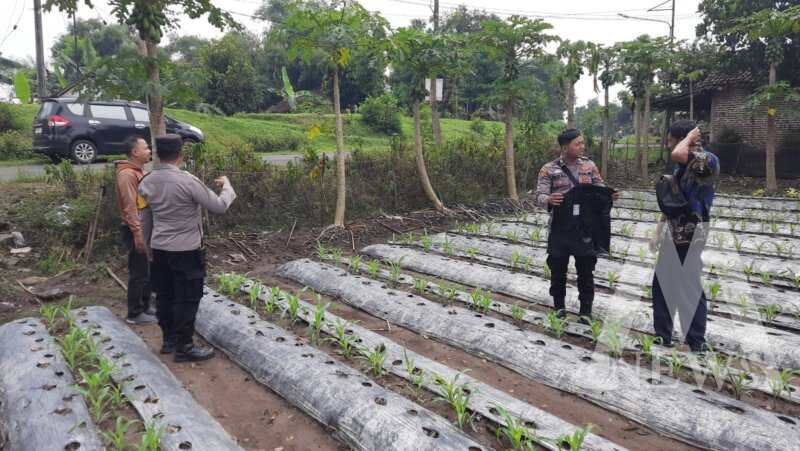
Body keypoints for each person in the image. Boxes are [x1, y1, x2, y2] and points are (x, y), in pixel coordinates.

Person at [139, 134, 236, 362]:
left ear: (157, 155)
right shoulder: (188, 182)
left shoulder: (146, 182)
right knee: (187, 298)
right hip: (186, 251)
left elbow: (145, 219)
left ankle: (169, 341)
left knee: (165, 296)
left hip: (160, 249)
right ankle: (184, 347)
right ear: (180, 155)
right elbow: (219, 206)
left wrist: (148, 248)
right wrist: (228, 186)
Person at [535, 129, 619, 321]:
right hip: (560, 227)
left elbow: (600, 187)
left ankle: (586, 312)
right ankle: (559, 308)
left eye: (582, 143)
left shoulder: (589, 165)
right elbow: (539, 195)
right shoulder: (549, 169)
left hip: (585, 227)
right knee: (558, 269)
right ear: (565, 147)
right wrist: (548, 199)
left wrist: (609, 195)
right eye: (578, 143)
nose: (582, 146)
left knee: (586, 270)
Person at [650, 120, 719, 352]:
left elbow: (678, 152)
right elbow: (672, 201)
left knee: (689, 285)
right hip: (673, 231)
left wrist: (689, 136)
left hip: (692, 233)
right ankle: (663, 336)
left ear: (682, 139)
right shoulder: (683, 166)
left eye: (670, 138)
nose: (668, 144)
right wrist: (658, 232)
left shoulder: (706, 160)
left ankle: (696, 341)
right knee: (662, 284)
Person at [115, 136, 156, 325]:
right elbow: (130, 207)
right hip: (135, 230)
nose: (149, 151)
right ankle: (134, 313)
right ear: (135, 152)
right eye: (146, 148)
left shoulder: (139, 171)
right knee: (138, 272)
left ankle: (146, 306)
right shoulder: (127, 175)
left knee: (147, 269)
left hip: (144, 228)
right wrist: (138, 234)